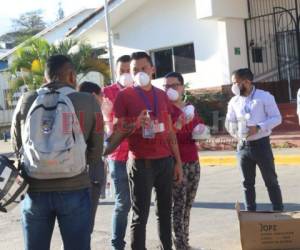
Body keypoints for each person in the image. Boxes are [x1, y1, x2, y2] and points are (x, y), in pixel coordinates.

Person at [11, 55, 103, 250]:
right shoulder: (88, 102)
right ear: (71, 75)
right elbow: (96, 152)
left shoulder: (27, 100)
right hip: (74, 187)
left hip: (34, 190)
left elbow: (17, 145)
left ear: (46, 77)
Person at [104, 52, 183, 250]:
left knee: (165, 212)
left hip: (165, 161)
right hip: (141, 163)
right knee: (140, 215)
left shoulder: (161, 95)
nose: (140, 73)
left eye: (143, 69)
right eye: (135, 70)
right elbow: (117, 134)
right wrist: (135, 123)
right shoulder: (124, 96)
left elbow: (170, 130)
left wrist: (178, 162)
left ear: (152, 70)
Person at [225, 68, 283, 212]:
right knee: (247, 183)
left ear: (247, 82)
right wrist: (237, 132)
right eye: (232, 83)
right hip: (243, 147)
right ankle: (250, 214)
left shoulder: (264, 97)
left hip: (261, 145)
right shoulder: (234, 101)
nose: (233, 86)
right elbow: (229, 122)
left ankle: (278, 211)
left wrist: (258, 127)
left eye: (236, 83)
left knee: (270, 180)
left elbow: (277, 118)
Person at [164, 72, 204, 250]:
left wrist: (202, 131)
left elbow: (198, 129)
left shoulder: (189, 108)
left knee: (188, 205)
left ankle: (184, 242)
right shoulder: (164, 109)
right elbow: (166, 136)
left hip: (193, 161)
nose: (170, 89)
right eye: (167, 86)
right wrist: (179, 122)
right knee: (178, 206)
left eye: (174, 85)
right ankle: (179, 245)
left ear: (182, 87)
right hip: (175, 163)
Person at [102, 55, 132, 250]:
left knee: (140, 204)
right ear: (115, 70)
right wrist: (107, 117)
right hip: (118, 155)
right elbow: (103, 126)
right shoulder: (107, 93)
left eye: (130, 71)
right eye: (122, 70)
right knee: (123, 203)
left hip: (141, 155)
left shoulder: (142, 92)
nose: (126, 75)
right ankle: (117, 245)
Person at [78, 81, 105, 234]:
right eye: (102, 96)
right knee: (87, 225)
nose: (103, 99)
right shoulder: (96, 114)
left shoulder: (70, 108)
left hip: (72, 172)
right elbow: (99, 147)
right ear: (94, 95)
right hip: (91, 173)